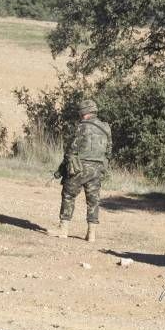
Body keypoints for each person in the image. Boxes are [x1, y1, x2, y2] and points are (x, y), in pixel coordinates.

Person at [47, 99, 112, 242]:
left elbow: (71, 151)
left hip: (78, 168)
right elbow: (108, 152)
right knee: (93, 200)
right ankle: (91, 234)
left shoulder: (81, 127)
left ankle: (63, 230)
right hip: (97, 169)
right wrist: (101, 168)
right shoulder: (106, 128)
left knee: (68, 195)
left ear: (84, 112)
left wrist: (60, 171)